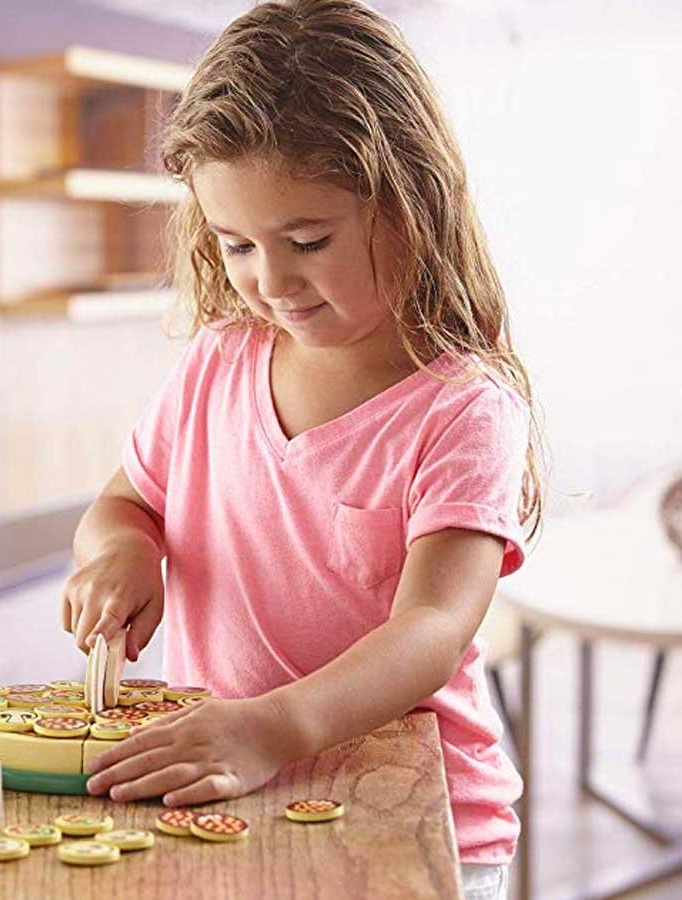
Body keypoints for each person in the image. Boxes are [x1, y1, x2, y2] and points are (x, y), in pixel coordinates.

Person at [62, 2, 544, 897]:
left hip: (413, 821)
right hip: (227, 797)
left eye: (308, 241)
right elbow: (124, 502)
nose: (271, 280)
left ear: (411, 203)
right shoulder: (217, 364)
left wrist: (272, 728)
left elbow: (433, 628)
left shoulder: (463, 407)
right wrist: (122, 553)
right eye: (236, 244)